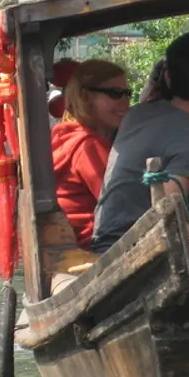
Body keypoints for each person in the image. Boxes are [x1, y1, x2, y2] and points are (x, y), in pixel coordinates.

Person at [91, 33, 189, 253]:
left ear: (167, 77)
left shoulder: (136, 114)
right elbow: (167, 213)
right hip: (130, 246)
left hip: (104, 235)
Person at [50, 59, 130, 247]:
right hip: (93, 244)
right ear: (85, 97)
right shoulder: (87, 145)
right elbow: (120, 202)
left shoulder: (65, 135)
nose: (125, 102)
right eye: (115, 94)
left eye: (127, 94)